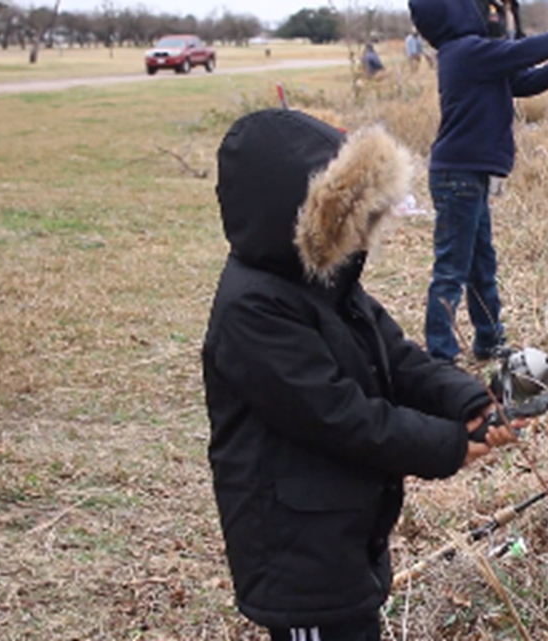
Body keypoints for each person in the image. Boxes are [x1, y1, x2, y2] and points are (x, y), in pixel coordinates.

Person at [202, 108, 522, 641]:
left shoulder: (325, 280)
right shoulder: (250, 310)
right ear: (304, 213)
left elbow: (397, 357)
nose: (364, 227)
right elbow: (337, 415)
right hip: (295, 551)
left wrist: (471, 402)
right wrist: (447, 446)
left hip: (337, 533)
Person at [408, 0, 548, 363]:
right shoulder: (466, 51)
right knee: (451, 272)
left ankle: (489, 341)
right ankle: (440, 357)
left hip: (468, 175)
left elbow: (523, 82)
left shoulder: (475, 56)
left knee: (481, 266)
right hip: (458, 176)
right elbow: (523, 52)